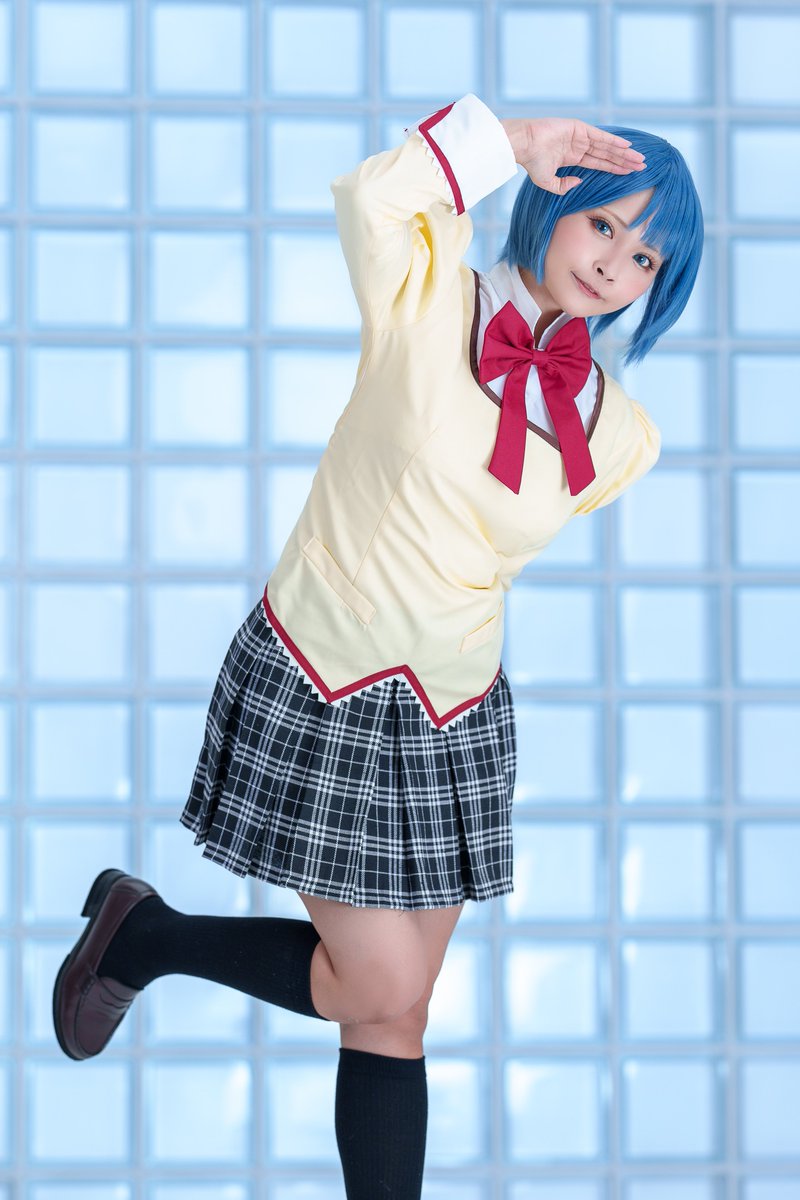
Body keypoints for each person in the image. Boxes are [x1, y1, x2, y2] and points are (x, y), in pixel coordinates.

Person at [52, 94, 703, 1198]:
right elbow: (375, 193)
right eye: (603, 223)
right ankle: (144, 938)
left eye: (643, 256)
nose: (612, 263)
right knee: (378, 983)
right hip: (328, 672)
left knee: (397, 1014)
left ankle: (140, 934)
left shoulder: (616, 434)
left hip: (456, 712)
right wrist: (513, 142)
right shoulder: (427, 290)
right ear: (555, 202)